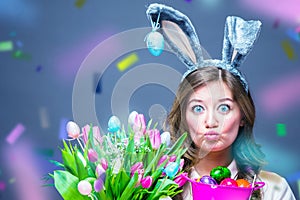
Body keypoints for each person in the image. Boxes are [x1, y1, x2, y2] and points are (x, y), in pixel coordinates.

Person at [145, 3, 296, 200]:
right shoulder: (157, 189)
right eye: (198, 108)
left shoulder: (274, 190)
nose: (211, 121)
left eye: (224, 107)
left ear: (242, 114)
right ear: (183, 117)